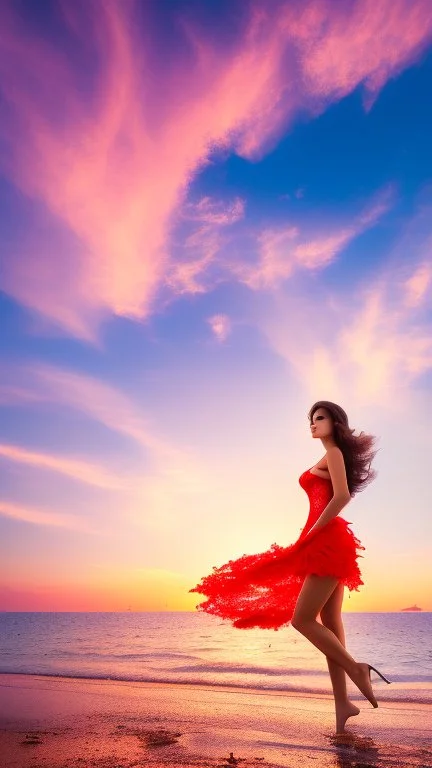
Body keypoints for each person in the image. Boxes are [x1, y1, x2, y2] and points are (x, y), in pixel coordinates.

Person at [189, 401, 391, 734]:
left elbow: (341, 496)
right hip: (322, 540)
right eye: (310, 419)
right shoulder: (325, 458)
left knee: (301, 619)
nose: (312, 423)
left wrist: (312, 533)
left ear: (335, 422)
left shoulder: (335, 454)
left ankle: (358, 670)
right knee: (330, 622)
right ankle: (343, 705)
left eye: (320, 418)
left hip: (326, 541)